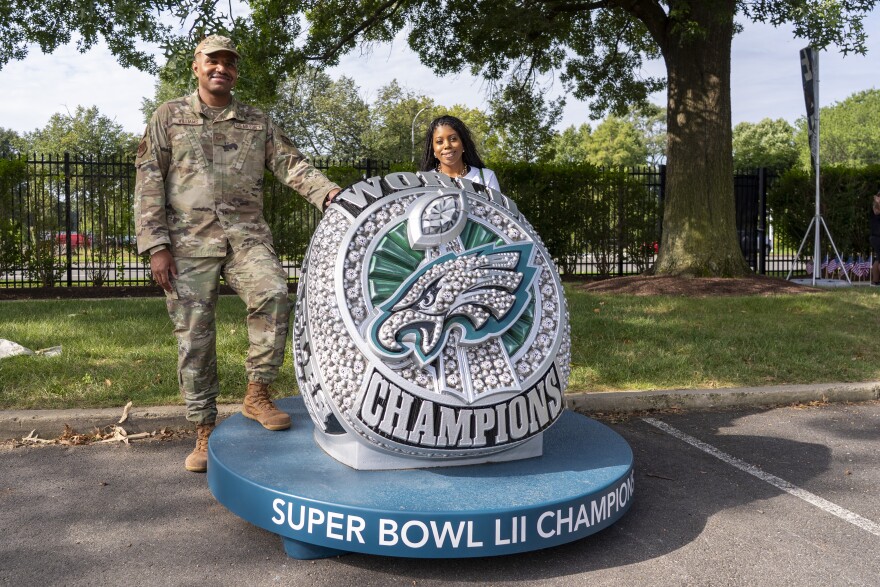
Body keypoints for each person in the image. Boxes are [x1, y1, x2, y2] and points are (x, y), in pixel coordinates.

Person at [134, 35, 340, 472]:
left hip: (246, 237)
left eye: (228, 62)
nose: (220, 68)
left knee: (273, 294)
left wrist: (330, 195)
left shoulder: (255, 120)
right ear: (196, 65)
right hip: (188, 243)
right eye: (213, 60)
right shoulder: (169, 116)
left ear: (235, 71)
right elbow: (149, 180)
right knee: (194, 336)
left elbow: (292, 165)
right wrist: (156, 245)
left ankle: (256, 393)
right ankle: (204, 429)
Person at [419, 115, 500, 191]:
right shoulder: (425, 181)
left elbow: (496, 206)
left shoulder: (486, 177)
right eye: (439, 141)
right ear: (433, 149)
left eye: (453, 139)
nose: (447, 145)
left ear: (463, 144)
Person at [870, 190, 880, 285]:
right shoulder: (876, 206)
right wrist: (877, 201)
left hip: (876, 237)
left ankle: (875, 281)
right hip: (877, 237)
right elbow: (877, 211)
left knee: (878, 259)